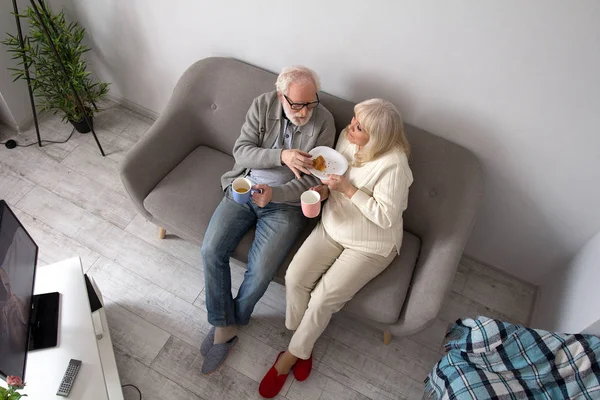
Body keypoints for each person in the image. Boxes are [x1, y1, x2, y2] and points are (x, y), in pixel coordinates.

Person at [258, 98, 413, 398]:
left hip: (371, 244)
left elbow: (385, 217)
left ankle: (289, 357)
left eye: (358, 127)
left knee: (323, 299)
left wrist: (348, 189)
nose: (349, 128)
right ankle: (302, 340)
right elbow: (333, 177)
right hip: (334, 225)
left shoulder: (394, 165)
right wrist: (324, 189)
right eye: (354, 120)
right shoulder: (346, 139)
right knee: (295, 277)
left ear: (377, 138)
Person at [200, 66, 336, 374]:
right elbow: (242, 152)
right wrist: (282, 156)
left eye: (310, 103)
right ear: (281, 96)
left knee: (260, 271)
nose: (304, 113)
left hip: (285, 203)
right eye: (297, 105)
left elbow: (315, 180)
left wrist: (274, 195)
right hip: (245, 186)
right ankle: (225, 327)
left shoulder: (324, 121)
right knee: (211, 250)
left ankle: (232, 321)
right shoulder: (263, 104)